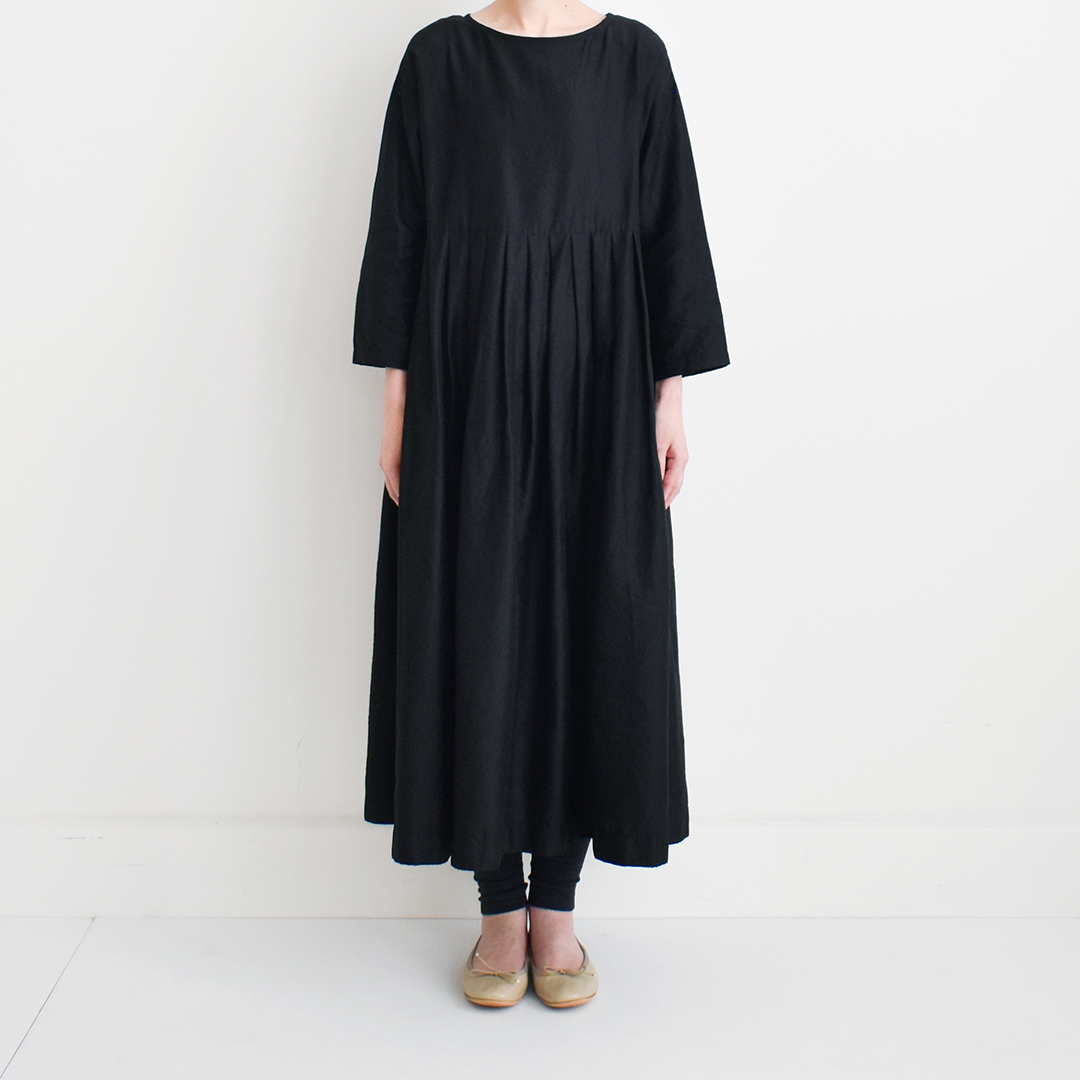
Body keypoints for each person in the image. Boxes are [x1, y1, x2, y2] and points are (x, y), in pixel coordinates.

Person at [352, 0, 729, 1008]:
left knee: (588, 620)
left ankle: (556, 904)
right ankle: (497, 907)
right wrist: (396, 405)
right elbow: (400, 228)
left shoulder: (634, 61)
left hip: (601, 385)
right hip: (464, 384)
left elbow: (669, 227)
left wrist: (670, 397)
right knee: (475, 620)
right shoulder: (438, 60)